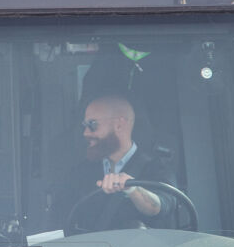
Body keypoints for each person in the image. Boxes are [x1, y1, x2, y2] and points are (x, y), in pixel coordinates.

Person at [70, 94, 181, 230]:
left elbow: (161, 205)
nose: (85, 133)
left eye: (92, 125)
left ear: (119, 124)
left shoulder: (158, 168)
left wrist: (132, 187)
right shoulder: (80, 173)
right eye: (84, 126)